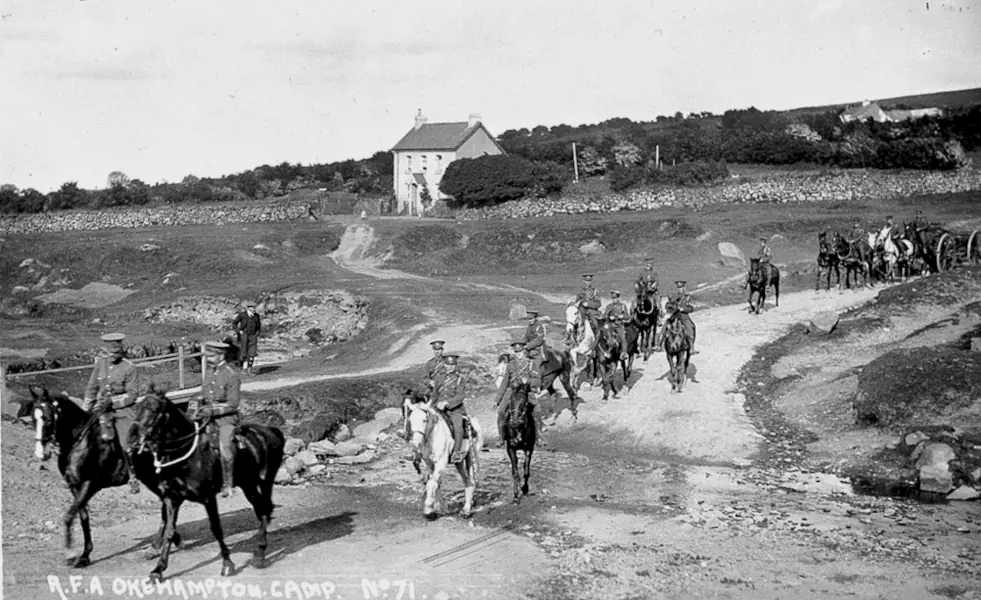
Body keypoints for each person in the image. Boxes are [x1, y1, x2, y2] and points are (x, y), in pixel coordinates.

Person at [82, 332, 145, 494]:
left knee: (126, 443)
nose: (113, 357)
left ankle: (133, 476)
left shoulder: (129, 368)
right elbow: (92, 386)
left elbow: (133, 395)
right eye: (110, 353)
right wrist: (87, 406)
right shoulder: (100, 364)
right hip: (101, 408)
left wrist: (114, 403)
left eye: (116, 353)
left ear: (121, 351)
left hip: (123, 411)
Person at [188, 341, 242, 498]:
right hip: (206, 416)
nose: (209, 359)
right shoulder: (210, 372)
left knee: (225, 447)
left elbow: (233, 404)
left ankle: (228, 484)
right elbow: (204, 394)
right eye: (208, 356)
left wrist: (212, 410)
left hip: (225, 419)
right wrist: (195, 404)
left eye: (212, 356)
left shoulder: (232, 375)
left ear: (221, 355)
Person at [495, 341, 546, 448]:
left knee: (537, 410)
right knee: (501, 411)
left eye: (520, 352)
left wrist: (527, 381)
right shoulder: (510, 365)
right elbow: (504, 382)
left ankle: (538, 437)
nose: (518, 354)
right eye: (516, 352)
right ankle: (501, 437)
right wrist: (497, 399)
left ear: (524, 351)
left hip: (526, 392)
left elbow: (537, 381)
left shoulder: (531, 364)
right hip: (511, 392)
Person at [432, 354, 469, 464]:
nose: (450, 367)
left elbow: (460, 396)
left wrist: (447, 403)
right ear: (444, 365)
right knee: (426, 423)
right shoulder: (439, 378)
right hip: (438, 408)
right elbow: (434, 394)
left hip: (454, 410)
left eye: (453, 365)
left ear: (456, 366)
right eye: (448, 365)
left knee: (458, 427)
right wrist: (432, 404)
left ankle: (456, 452)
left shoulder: (459, 380)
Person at [667, 281, 698, 355]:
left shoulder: (687, 297)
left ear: (684, 288)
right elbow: (668, 305)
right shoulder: (674, 296)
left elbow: (691, 308)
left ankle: (691, 348)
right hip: (675, 316)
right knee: (665, 327)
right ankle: (659, 344)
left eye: (681, 288)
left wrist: (683, 309)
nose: (679, 289)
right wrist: (671, 307)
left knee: (691, 328)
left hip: (684, 317)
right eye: (678, 288)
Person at [232, 301, 261, 375]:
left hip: (253, 336)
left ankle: (249, 370)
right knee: (243, 353)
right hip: (244, 335)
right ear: (248, 308)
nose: (254, 309)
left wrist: (257, 333)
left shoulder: (256, 316)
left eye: (254, 307)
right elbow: (234, 323)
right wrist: (239, 331)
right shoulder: (242, 315)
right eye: (252, 307)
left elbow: (258, 326)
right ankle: (241, 369)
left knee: (252, 353)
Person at [602, 290, 630, 361]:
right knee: (606, 336)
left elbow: (627, 316)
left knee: (623, 337)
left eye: (615, 298)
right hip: (611, 325)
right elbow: (604, 316)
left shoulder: (623, 306)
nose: (614, 300)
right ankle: (607, 351)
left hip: (619, 325)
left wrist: (622, 316)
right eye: (613, 298)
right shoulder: (609, 306)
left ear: (618, 298)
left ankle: (624, 353)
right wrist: (609, 317)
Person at [524, 310, 549, 378]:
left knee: (536, 366)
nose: (530, 320)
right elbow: (526, 337)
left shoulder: (539, 326)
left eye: (531, 319)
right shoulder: (529, 326)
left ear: (535, 318)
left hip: (538, 350)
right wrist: (523, 345)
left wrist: (528, 346)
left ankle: (536, 382)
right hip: (529, 349)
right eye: (529, 319)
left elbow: (539, 340)